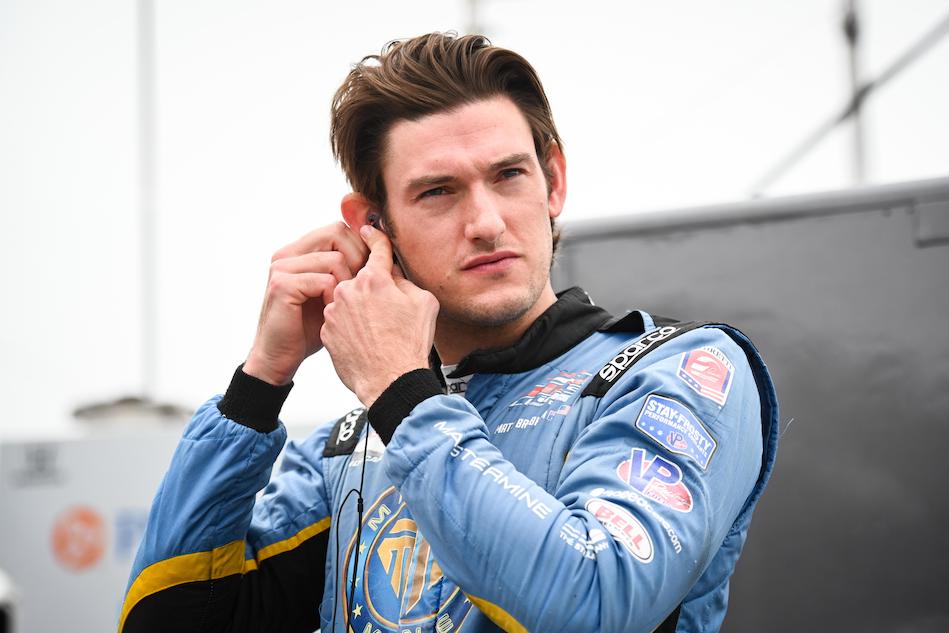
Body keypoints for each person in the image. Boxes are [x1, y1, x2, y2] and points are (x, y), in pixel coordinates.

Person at [119, 32, 778, 633]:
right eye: (438, 191)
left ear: (553, 181)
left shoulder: (678, 371)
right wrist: (259, 385)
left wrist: (402, 395)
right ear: (373, 223)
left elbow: (593, 602)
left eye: (509, 175)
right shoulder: (347, 450)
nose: (486, 222)